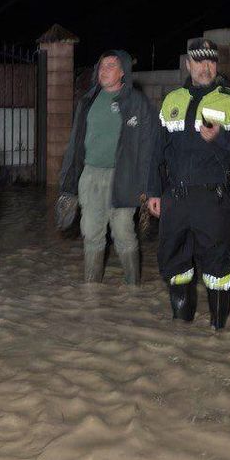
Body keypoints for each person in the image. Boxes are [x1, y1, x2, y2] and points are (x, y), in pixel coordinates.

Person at [146, 38, 230, 330]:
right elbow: (156, 152)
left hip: (214, 200)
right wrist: (152, 192)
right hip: (175, 198)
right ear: (188, 65)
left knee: (217, 268)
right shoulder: (172, 99)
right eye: (199, 61)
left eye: (211, 61)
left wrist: (221, 137)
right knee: (175, 264)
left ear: (216, 65)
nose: (205, 67)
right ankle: (181, 330)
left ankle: (217, 334)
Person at [57, 50, 158, 285]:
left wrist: (149, 187)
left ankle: (133, 287)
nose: (104, 70)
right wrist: (67, 182)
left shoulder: (137, 102)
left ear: (123, 71)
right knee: (91, 233)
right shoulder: (87, 101)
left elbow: (149, 147)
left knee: (123, 232)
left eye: (111, 65)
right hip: (90, 175)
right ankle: (92, 291)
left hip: (124, 177)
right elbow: (74, 144)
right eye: (101, 66)